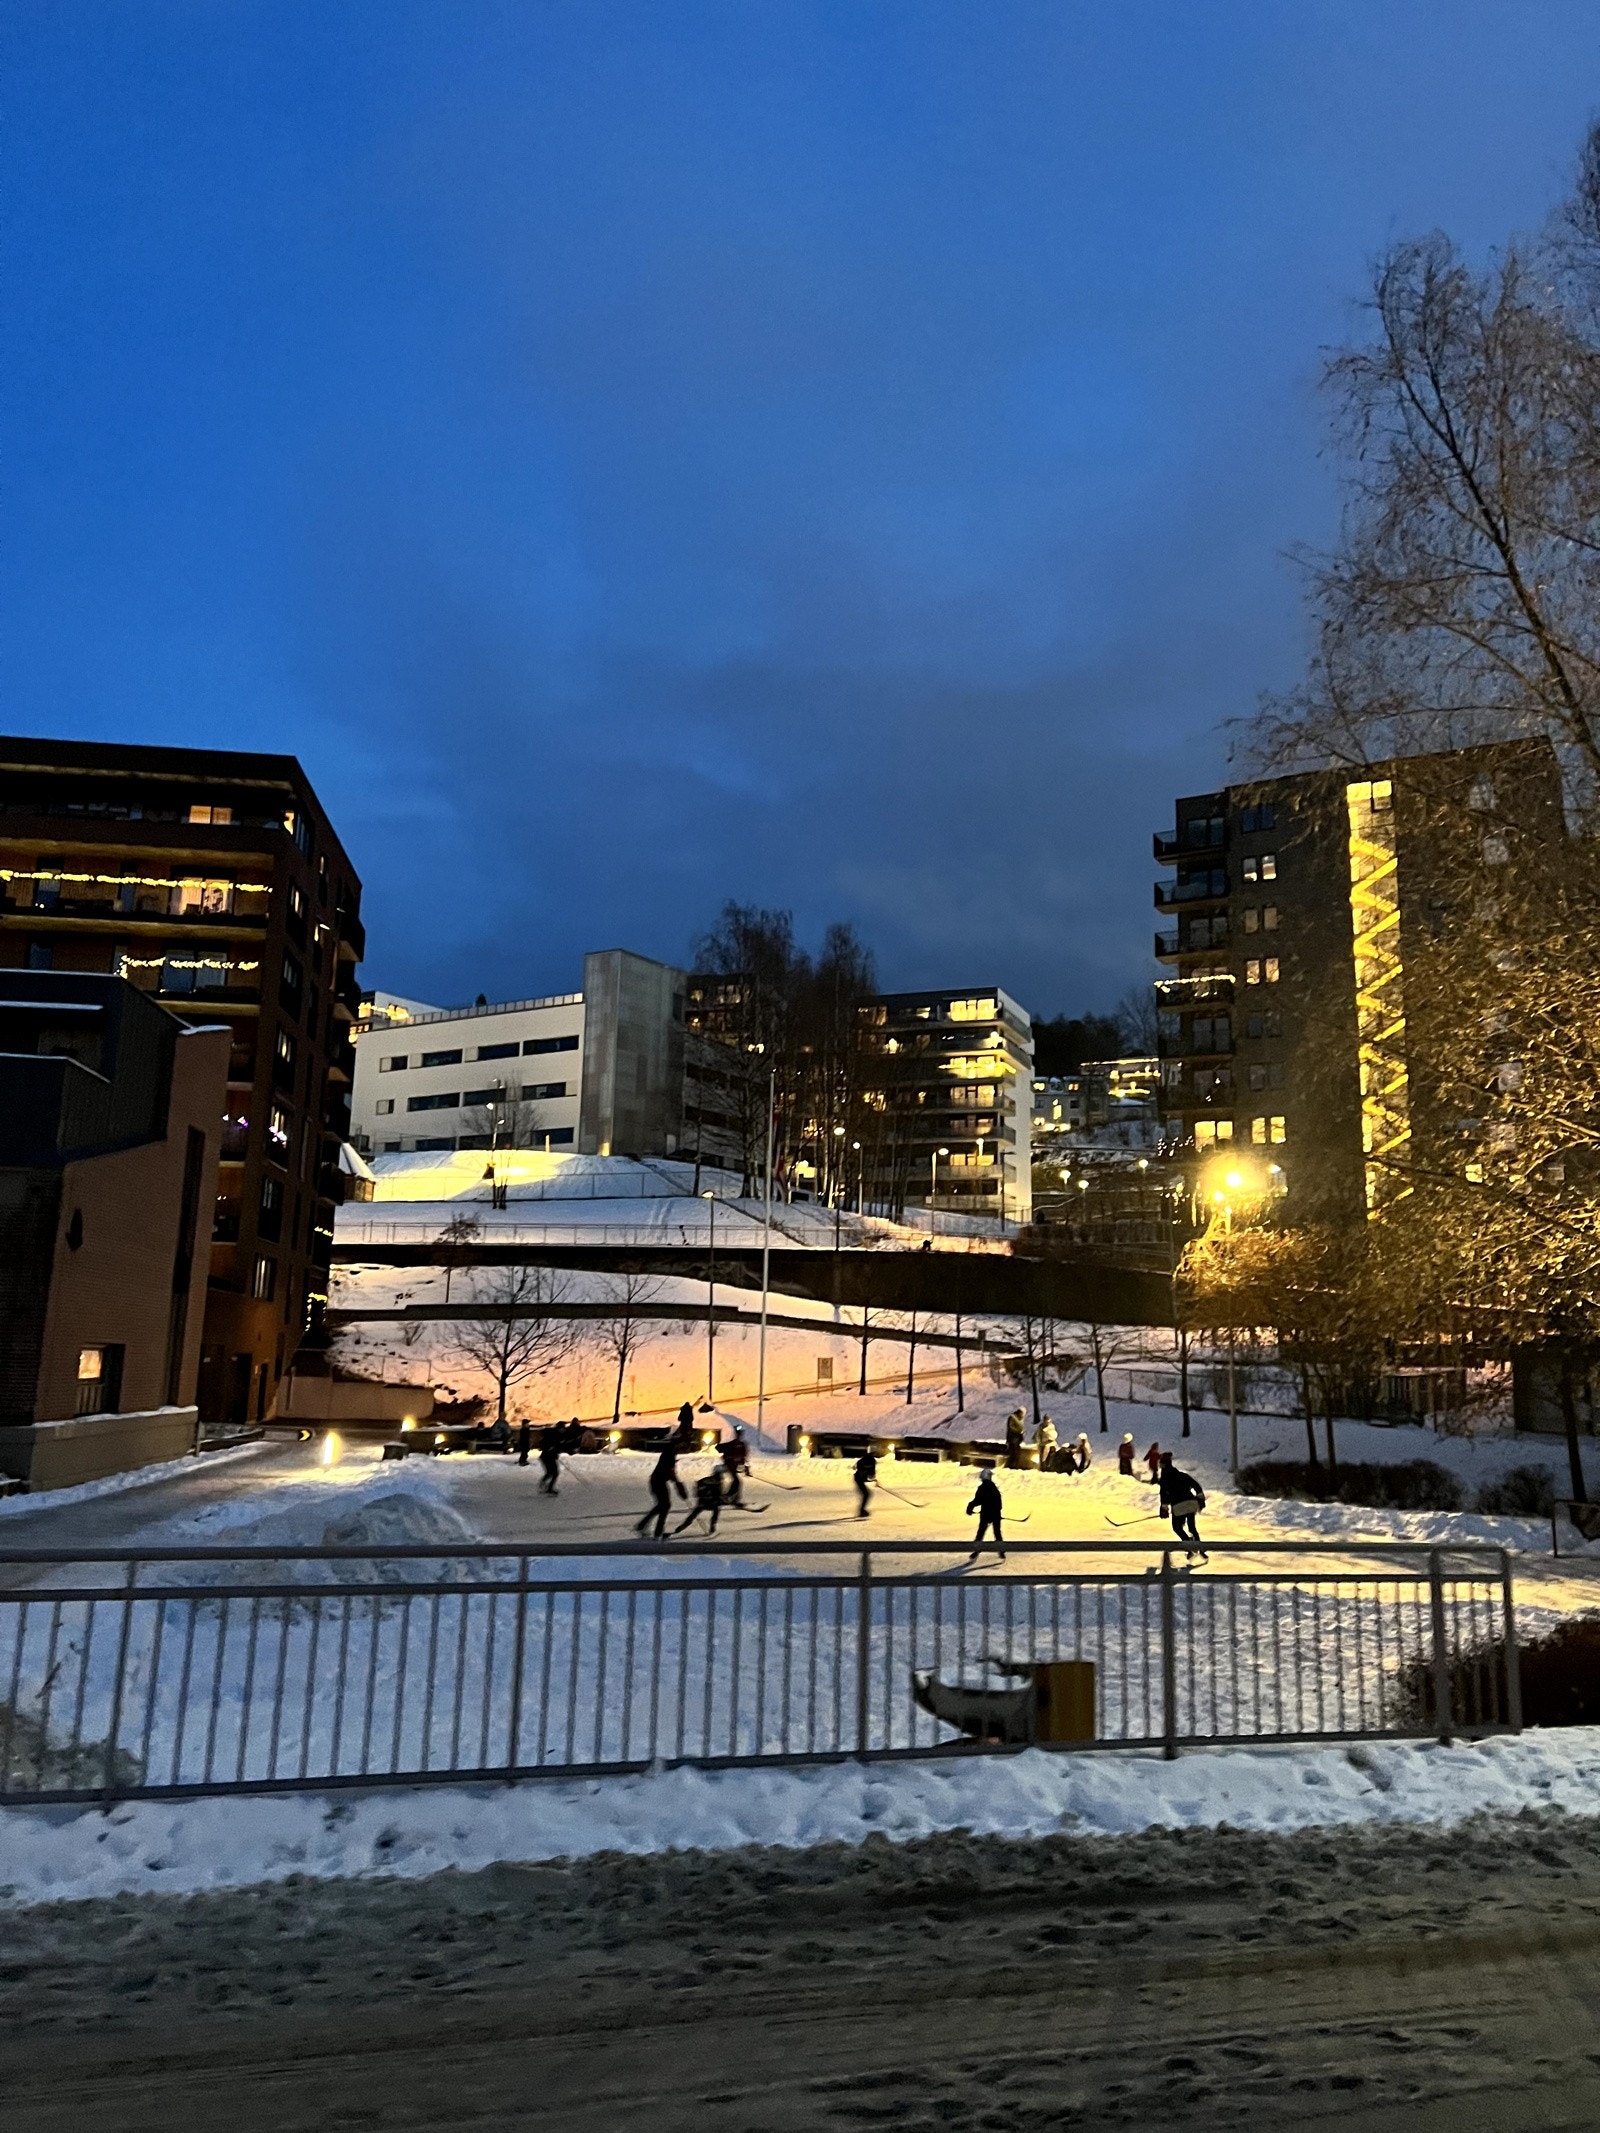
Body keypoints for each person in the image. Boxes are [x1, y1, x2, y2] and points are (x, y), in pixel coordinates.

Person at [1158, 1452, 1208, 1561]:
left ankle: (1190, 1547)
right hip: (1191, 1503)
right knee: (1192, 1527)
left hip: (1178, 1506)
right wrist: (1200, 1498)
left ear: (1162, 1465)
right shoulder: (1181, 1475)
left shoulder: (1164, 1479)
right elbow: (1196, 1485)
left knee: (1177, 1528)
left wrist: (1164, 1508)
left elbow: (1164, 1495)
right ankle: (1201, 1549)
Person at [636, 1441, 687, 1539]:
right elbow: (671, 1473)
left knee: (662, 1506)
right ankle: (657, 1531)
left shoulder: (669, 1453)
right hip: (658, 1482)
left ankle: (643, 1526)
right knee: (665, 1505)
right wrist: (680, 1488)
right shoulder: (670, 1455)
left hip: (657, 1481)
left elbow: (670, 1473)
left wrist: (679, 1486)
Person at [674, 1466, 728, 1537]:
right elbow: (718, 1494)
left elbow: (698, 1488)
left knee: (694, 1513)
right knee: (716, 1510)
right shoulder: (718, 1481)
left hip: (702, 1501)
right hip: (710, 1502)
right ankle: (712, 1527)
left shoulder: (705, 1480)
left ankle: (683, 1525)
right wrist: (723, 1500)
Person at [966, 1464, 1006, 1560]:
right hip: (995, 1514)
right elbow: (999, 1503)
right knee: (997, 1533)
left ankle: (976, 1550)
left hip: (986, 1514)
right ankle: (1001, 1551)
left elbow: (978, 1500)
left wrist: (970, 1506)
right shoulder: (994, 1488)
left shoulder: (983, 1488)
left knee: (980, 1532)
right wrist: (997, 1514)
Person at [720, 1425, 750, 1507]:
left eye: (740, 1434)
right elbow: (722, 1452)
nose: (739, 1436)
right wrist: (730, 1458)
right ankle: (731, 1497)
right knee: (737, 1481)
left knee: (736, 1481)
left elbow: (744, 1458)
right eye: (738, 1434)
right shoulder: (731, 1444)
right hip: (730, 1466)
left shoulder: (742, 1445)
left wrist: (746, 1468)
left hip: (734, 1466)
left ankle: (731, 1497)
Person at [537, 1424, 563, 1495]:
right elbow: (552, 1447)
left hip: (546, 1457)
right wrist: (553, 1450)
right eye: (562, 1428)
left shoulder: (553, 1435)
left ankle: (545, 1484)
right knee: (555, 1473)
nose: (563, 1430)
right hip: (548, 1457)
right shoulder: (555, 1436)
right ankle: (549, 1488)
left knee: (550, 1473)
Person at [853, 1447, 877, 1518]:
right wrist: (870, 1479)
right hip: (858, 1479)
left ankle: (862, 1511)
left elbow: (871, 1473)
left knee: (866, 1494)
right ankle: (862, 1511)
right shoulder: (867, 1460)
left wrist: (873, 1479)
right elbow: (863, 1471)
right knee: (866, 1494)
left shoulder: (870, 1460)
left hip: (859, 1478)